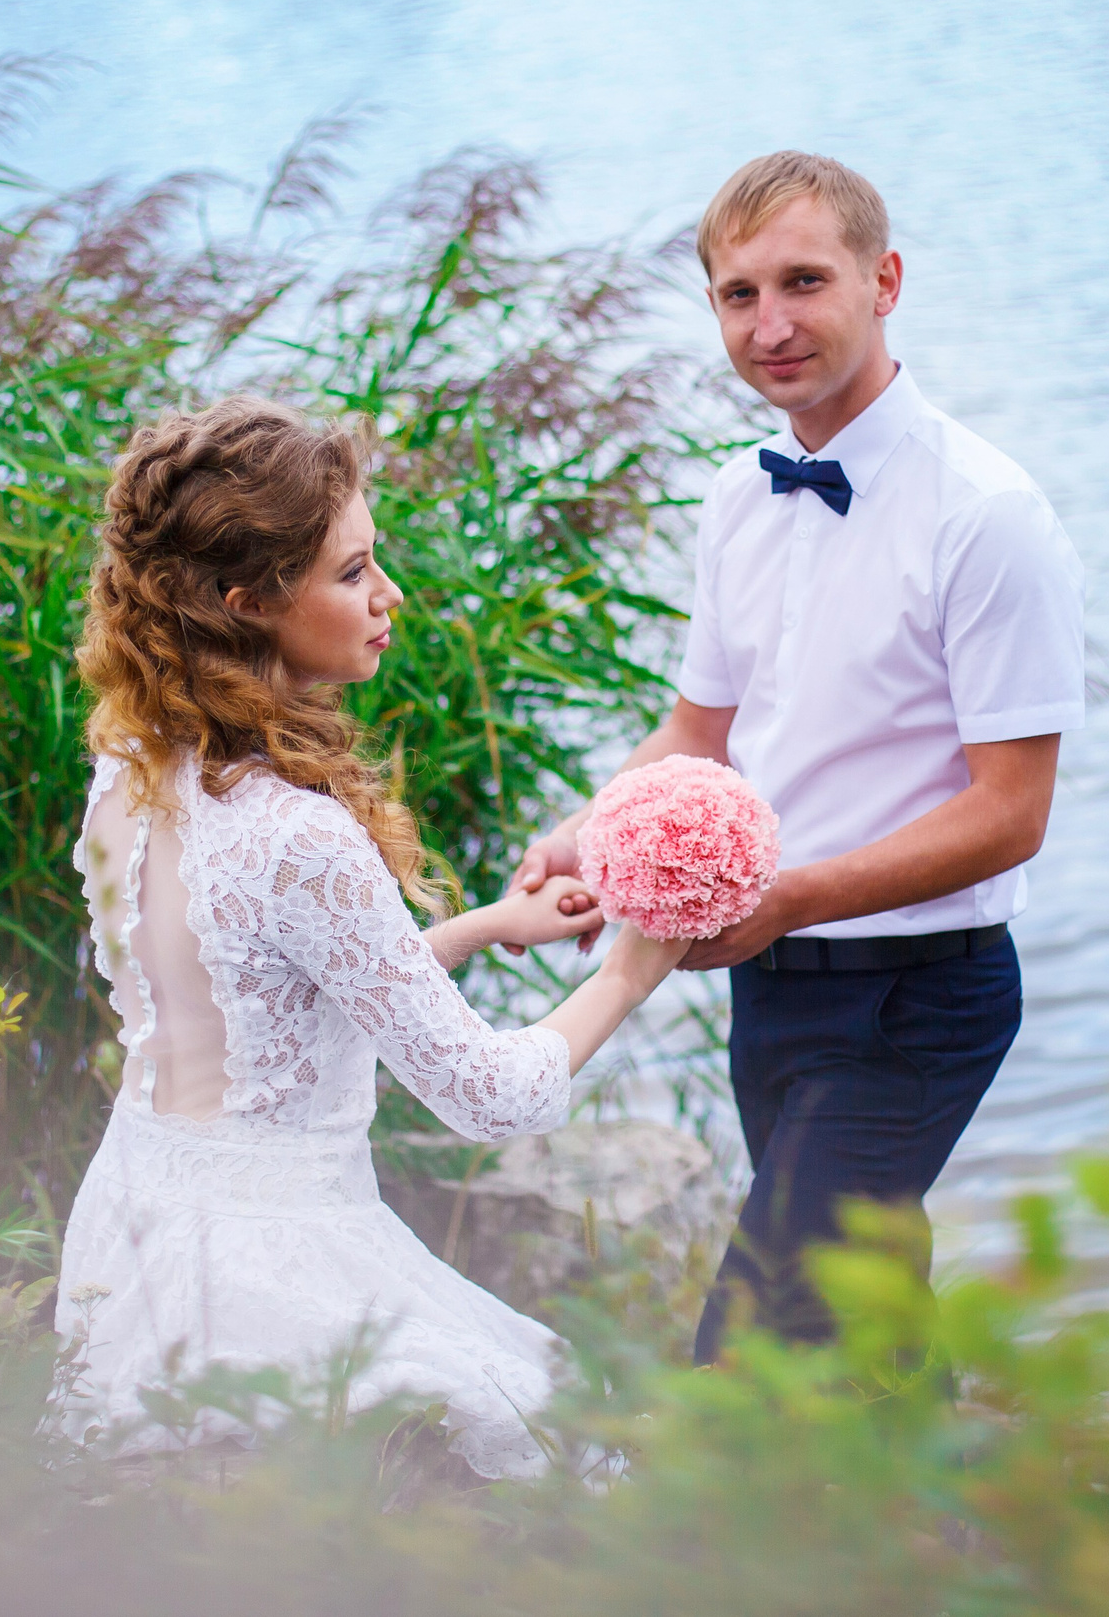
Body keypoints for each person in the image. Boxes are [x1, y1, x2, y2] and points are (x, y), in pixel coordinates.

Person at [509, 152, 1085, 1362]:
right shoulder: (734, 498)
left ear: (883, 281)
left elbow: (1011, 813)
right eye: (736, 294)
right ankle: (930, 1532)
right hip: (769, 985)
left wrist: (787, 899)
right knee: (861, 1312)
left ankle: (707, 1526)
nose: (770, 326)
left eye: (804, 282)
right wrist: (587, 838)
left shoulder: (987, 513)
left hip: (921, 991)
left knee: (762, 1329)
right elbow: (695, 734)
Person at [47, 396, 688, 1479]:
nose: (388, 596)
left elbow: (263, 1004)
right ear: (246, 600)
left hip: (139, 1223)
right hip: (276, 1267)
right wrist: (633, 967)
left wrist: (485, 925)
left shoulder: (133, 772)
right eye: (351, 573)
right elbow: (491, 1093)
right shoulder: (299, 832)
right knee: (557, 1449)